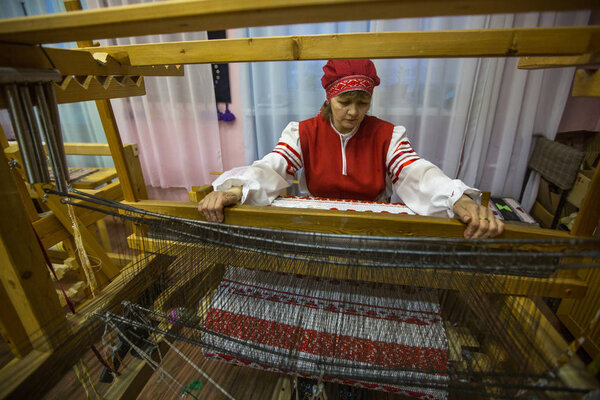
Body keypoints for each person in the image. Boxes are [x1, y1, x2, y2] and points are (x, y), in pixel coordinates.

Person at [199, 59, 503, 239]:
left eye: (363, 103)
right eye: (345, 102)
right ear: (329, 98)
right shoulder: (303, 132)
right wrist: (236, 191)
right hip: (318, 229)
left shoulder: (387, 136)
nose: (354, 112)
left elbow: (416, 171)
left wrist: (456, 197)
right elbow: (273, 166)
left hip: (373, 232)